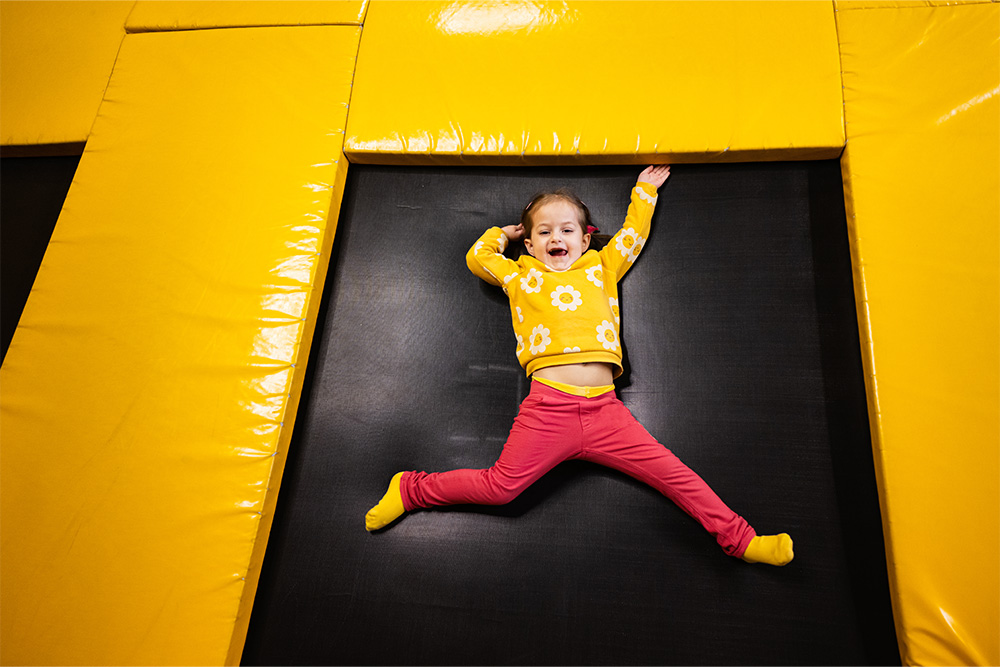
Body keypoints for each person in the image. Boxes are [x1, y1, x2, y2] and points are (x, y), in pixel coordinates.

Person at [365, 165, 793, 566]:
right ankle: (411, 489)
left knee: (673, 473)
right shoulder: (521, 274)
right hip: (549, 409)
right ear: (530, 245)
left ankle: (741, 540)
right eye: (544, 231)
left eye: (567, 230)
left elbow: (632, 236)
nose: (557, 238)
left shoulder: (602, 267)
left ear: (584, 240)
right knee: (501, 488)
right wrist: (503, 235)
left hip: (607, 412)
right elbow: (478, 259)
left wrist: (644, 192)